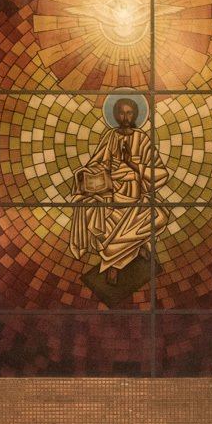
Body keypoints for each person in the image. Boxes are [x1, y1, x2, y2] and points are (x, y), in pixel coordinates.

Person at [67, 95, 169, 290]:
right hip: (111, 194)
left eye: (129, 112)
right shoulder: (110, 136)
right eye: (121, 112)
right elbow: (96, 163)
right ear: (115, 115)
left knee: (159, 216)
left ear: (135, 114)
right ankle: (117, 263)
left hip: (134, 196)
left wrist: (131, 164)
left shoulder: (143, 139)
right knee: (94, 214)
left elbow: (160, 172)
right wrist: (89, 173)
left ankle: (114, 262)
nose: (125, 116)